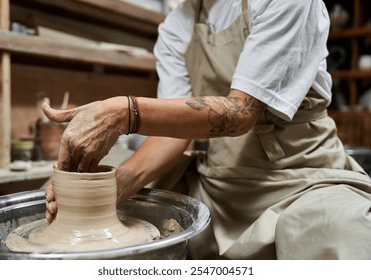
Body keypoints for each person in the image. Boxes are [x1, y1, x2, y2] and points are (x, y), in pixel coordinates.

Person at [42, 0, 371, 259]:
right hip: (217, 183)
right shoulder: (177, 24)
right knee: (106, 197)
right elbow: (175, 134)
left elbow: (242, 113)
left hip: (300, 179)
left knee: (335, 230)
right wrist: (115, 186)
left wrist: (124, 113)